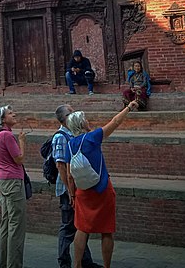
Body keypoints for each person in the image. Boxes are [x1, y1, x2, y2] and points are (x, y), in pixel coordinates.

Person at [66, 102, 139, 268]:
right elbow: (114, 122)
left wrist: (72, 194)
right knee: (106, 230)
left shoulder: (70, 145)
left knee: (82, 228)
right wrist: (128, 107)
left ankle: (77, 264)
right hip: (102, 188)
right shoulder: (92, 137)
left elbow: (70, 175)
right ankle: (107, 266)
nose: (88, 121)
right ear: (82, 124)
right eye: (85, 119)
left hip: (82, 192)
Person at [52, 104, 100, 268]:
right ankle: (64, 262)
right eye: (71, 113)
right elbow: (61, 166)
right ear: (64, 119)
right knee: (68, 227)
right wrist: (70, 191)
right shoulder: (60, 137)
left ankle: (84, 260)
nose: (75, 115)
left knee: (80, 225)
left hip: (76, 187)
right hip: (67, 189)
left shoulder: (74, 134)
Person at [0, 105, 27, 268]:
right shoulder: (7, 136)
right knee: (16, 225)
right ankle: (14, 264)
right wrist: (21, 141)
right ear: (2, 119)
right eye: (10, 113)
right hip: (13, 180)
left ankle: (4, 263)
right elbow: (19, 159)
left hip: (3, 180)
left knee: (6, 224)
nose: (14, 114)